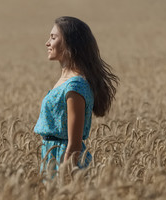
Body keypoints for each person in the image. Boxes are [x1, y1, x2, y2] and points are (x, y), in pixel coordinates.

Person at [34, 16, 119, 174]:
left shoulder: (75, 86)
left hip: (64, 159)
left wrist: (65, 174)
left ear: (68, 43)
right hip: (51, 156)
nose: (47, 43)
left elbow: (74, 144)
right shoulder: (66, 80)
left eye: (53, 37)